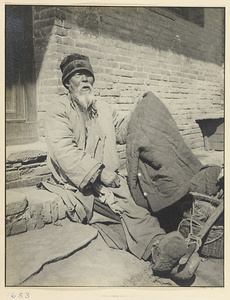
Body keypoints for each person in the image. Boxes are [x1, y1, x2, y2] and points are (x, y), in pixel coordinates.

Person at [44, 53, 195, 280]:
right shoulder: (58, 110)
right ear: (67, 82)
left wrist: (139, 110)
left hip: (108, 179)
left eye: (88, 75)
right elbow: (63, 150)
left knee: (140, 200)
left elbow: (122, 132)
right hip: (78, 183)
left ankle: (168, 253)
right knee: (129, 208)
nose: (85, 80)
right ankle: (159, 252)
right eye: (78, 75)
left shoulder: (102, 107)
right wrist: (99, 172)